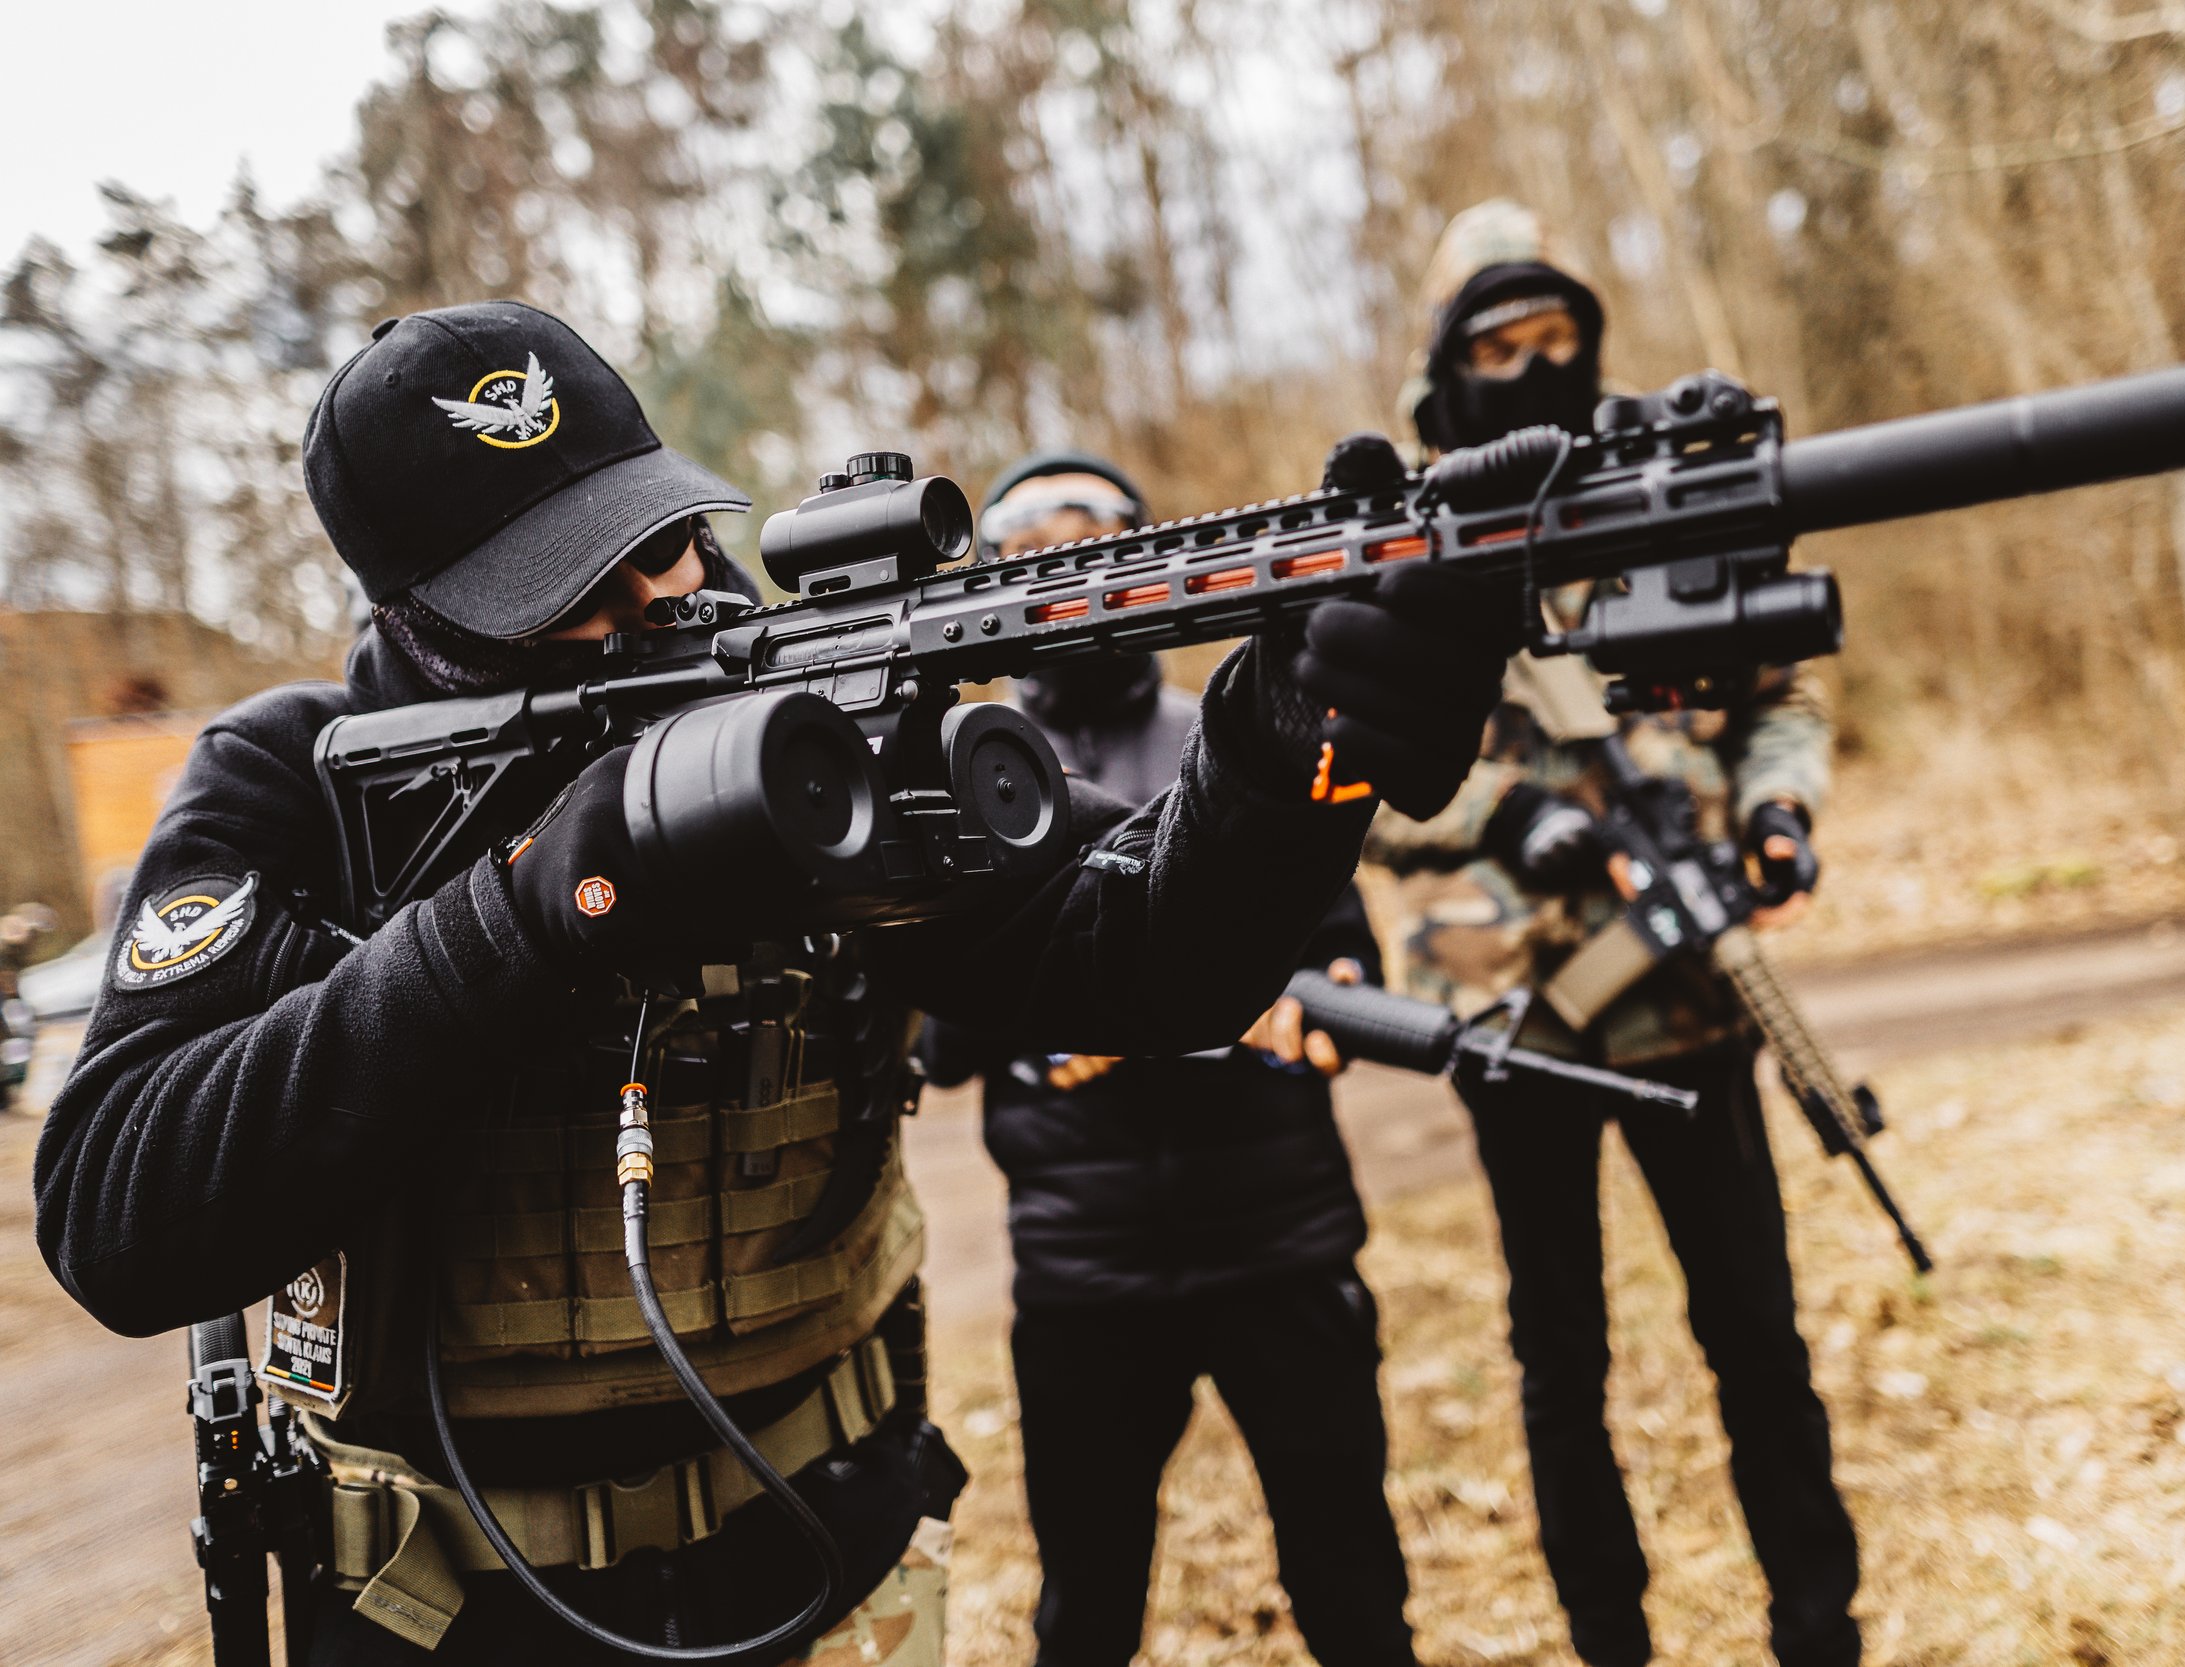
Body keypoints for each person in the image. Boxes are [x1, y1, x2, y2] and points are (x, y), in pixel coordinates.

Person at [32, 301, 1514, 1663]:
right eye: (572, 586)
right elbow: (121, 1209)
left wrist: (1295, 745)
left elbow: (1143, 956)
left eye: (661, 536)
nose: (660, 595)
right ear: (422, 618)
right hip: (453, 1611)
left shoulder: (791, 711)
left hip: (831, 1560)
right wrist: (532, 906)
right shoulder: (294, 784)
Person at [1364, 202, 1861, 1667]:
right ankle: (1607, 1636)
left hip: (1692, 998)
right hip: (1515, 1013)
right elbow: (1351, 770)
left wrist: (1777, 813)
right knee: (1559, 1358)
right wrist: (1498, 814)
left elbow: (1780, 691)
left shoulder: (1664, 493)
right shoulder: (1405, 520)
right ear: (1448, 359)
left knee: (1757, 1337)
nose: (1533, 367)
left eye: (1558, 340)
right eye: (1498, 346)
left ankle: (1819, 1619)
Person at [919, 454, 1420, 1667]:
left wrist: (1312, 1013)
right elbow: (938, 1035)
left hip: (1283, 1240)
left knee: (1351, 1581)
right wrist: (1077, 1025)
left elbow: (1345, 959)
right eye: (1031, 530)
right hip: (1085, 1270)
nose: (1064, 544)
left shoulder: (1242, 735)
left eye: (1094, 524)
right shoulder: (957, 768)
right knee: (1085, 1605)